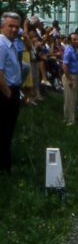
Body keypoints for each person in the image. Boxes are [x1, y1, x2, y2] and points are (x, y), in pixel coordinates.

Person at [0, 12, 22, 172]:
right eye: (10, 26)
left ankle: (5, 164)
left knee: (8, 129)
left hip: (13, 90)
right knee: (4, 129)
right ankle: (3, 166)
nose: (14, 30)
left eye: (16, 27)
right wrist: (8, 94)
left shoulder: (11, 44)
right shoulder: (1, 45)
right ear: (2, 26)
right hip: (5, 92)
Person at [62, 33, 78, 125]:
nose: (77, 41)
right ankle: (70, 120)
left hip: (75, 75)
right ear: (70, 41)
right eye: (74, 40)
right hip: (70, 75)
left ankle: (67, 118)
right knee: (70, 99)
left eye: (77, 39)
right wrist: (69, 79)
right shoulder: (68, 50)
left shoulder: (74, 49)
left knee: (72, 98)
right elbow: (65, 65)